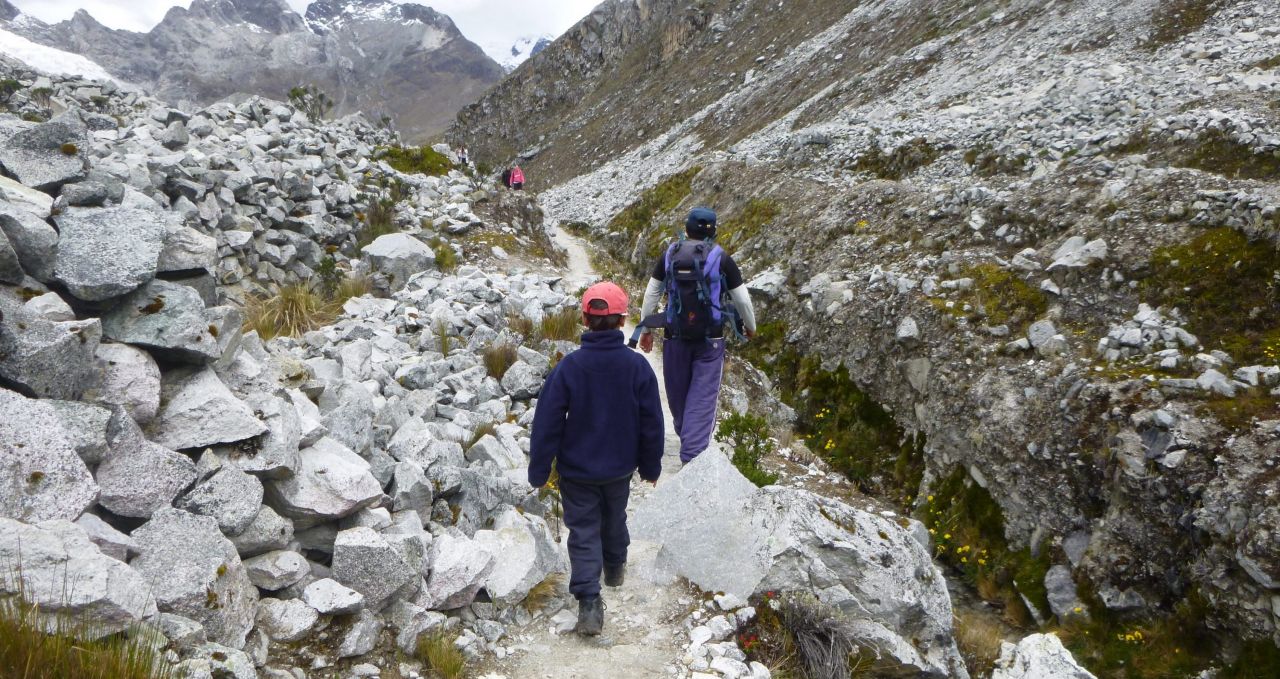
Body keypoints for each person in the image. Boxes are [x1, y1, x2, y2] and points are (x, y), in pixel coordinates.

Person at [529, 281, 664, 636]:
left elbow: (547, 422)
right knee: (615, 516)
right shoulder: (637, 368)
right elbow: (652, 422)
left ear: (585, 319)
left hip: (577, 470)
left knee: (584, 530)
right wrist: (650, 466)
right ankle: (616, 566)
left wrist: (540, 470)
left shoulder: (569, 368)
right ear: (623, 321)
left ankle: (589, 602)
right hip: (620, 468)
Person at [638, 207, 757, 465]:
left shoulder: (670, 254)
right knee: (702, 399)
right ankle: (692, 457)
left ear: (687, 228)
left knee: (678, 398)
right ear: (713, 231)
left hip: (674, 338)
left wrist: (646, 330)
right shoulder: (721, 257)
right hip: (710, 342)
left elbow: (651, 294)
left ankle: (688, 439)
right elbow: (742, 300)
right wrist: (750, 327)